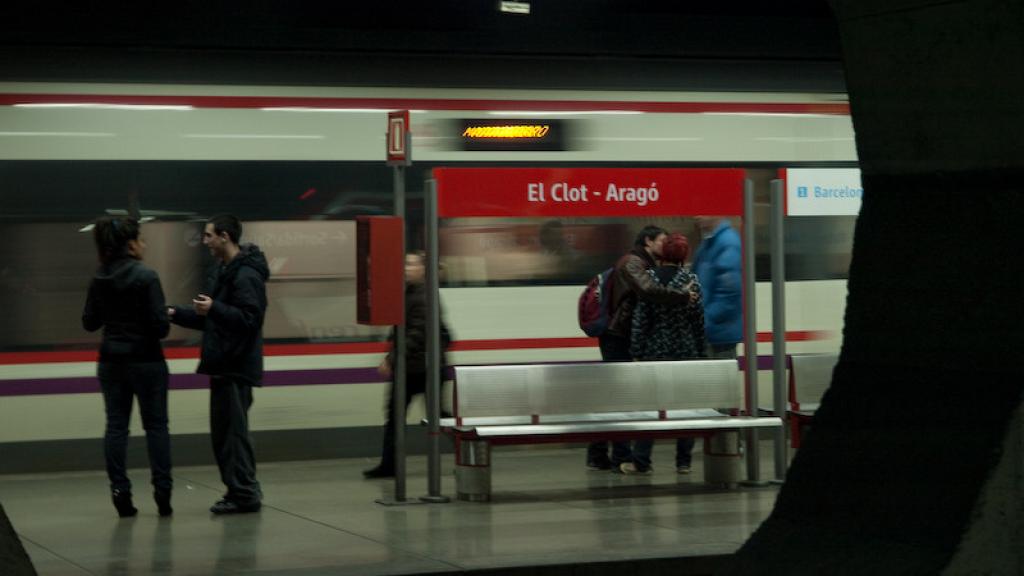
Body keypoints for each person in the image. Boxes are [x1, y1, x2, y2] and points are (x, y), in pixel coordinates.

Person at [168, 215, 269, 514]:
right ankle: (240, 490)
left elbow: (250, 320)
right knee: (226, 435)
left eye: (209, 235)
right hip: (223, 363)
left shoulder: (246, 275)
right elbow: (211, 317)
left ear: (225, 236)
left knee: (233, 436)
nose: (205, 241)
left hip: (236, 365)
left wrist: (215, 308)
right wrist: (176, 313)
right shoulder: (224, 271)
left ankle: (245, 494)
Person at [82, 216, 173, 517]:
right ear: (130, 243)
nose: (144, 244)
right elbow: (161, 328)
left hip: (111, 362)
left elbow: (89, 323)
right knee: (156, 426)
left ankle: (120, 491)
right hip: (147, 361)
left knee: (116, 427)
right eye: (141, 239)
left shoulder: (99, 277)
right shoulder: (146, 276)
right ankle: (162, 492)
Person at [586, 225, 695, 473]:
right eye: (662, 240)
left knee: (618, 396)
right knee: (622, 397)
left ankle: (599, 453)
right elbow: (647, 290)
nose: (665, 245)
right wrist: (682, 296)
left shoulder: (642, 262)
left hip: (622, 335)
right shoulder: (632, 262)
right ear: (648, 241)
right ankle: (618, 456)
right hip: (618, 337)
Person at [364, 251, 451, 479]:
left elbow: (416, 334)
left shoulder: (423, 296)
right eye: (405, 263)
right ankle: (389, 465)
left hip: (423, 369)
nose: (406, 268)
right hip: (413, 367)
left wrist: (391, 359)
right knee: (399, 417)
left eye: (411, 264)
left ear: (424, 269)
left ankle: (467, 452)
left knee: (433, 417)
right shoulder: (411, 292)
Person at [627, 233, 706, 475]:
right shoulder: (691, 281)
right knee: (687, 409)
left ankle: (642, 460)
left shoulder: (649, 281)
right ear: (684, 256)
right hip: (685, 351)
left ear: (663, 254)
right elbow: (698, 322)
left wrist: (637, 352)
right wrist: (700, 352)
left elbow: (641, 321)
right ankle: (683, 462)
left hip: (655, 351)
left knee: (651, 407)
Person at [692, 217, 742, 359]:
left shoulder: (727, 243)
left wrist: (703, 322)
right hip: (711, 333)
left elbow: (729, 294)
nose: (696, 216)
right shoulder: (709, 243)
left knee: (719, 379)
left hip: (720, 335)